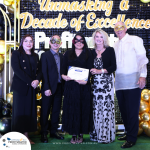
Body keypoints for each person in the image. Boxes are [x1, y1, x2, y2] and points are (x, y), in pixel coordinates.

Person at [114, 21, 149, 148]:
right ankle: (128, 132)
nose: (119, 29)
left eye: (121, 27)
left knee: (132, 111)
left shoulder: (135, 39)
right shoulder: (115, 44)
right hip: (119, 82)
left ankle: (132, 138)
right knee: (123, 110)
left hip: (133, 81)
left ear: (126, 28)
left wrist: (143, 76)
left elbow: (142, 58)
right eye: (116, 28)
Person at [61, 33, 93, 144]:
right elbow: (62, 69)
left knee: (83, 109)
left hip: (84, 87)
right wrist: (63, 76)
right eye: (77, 40)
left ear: (84, 43)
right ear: (74, 42)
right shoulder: (68, 54)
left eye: (81, 40)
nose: (79, 42)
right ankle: (73, 134)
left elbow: (90, 69)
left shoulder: (89, 53)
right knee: (71, 109)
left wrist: (86, 80)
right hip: (71, 86)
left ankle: (80, 134)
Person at [11, 34, 42, 144]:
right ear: (22, 43)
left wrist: (37, 80)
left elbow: (39, 71)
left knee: (29, 111)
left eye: (31, 41)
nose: (29, 43)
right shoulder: (16, 54)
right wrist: (31, 81)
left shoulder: (35, 56)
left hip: (32, 87)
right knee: (20, 112)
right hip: (20, 88)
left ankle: (26, 136)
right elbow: (17, 70)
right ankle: (18, 138)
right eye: (26, 41)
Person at [89, 29, 116, 143]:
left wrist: (101, 71)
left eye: (101, 37)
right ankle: (96, 134)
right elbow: (88, 67)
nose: (99, 39)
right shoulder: (91, 52)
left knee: (106, 108)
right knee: (96, 108)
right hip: (95, 84)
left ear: (104, 39)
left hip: (106, 83)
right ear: (94, 39)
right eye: (97, 37)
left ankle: (106, 135)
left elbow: (113, 67)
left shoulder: (110, 50)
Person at [40, 35, 64, 143]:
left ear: (61, 43)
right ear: (50, 43)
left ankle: (53, 131)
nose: (55, 43)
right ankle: (44, 133)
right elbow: (43, 72)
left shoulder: (62, 56)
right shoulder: (45, 55)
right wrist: (46, 87)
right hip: (48, 88)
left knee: (56, 111)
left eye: (58, 41)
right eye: (53, 41)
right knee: (45, 111)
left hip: (59, 87)